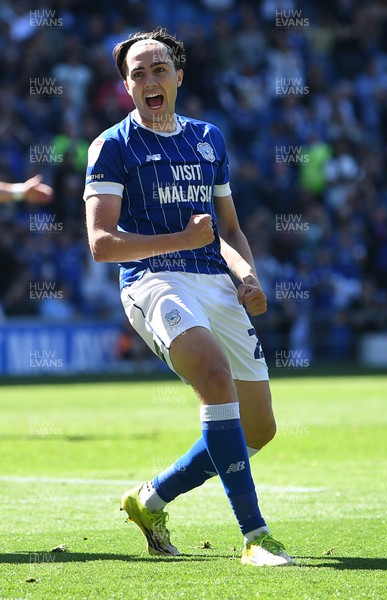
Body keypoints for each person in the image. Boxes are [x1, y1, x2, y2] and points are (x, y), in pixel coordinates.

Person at [84, 27, 294, 567]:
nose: (149, 80)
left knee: (259, 428)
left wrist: (247, 275)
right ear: (125, 86)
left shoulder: (208, 138)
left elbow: (229, 229)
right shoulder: (112, 146)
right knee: (216, 380)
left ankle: (150, 499)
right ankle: (255, 536)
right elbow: (102, 244)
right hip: (153, 281)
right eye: (137, 73)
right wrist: (181, 240)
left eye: (159, 70)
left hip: (216, 283)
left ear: (179, 76)